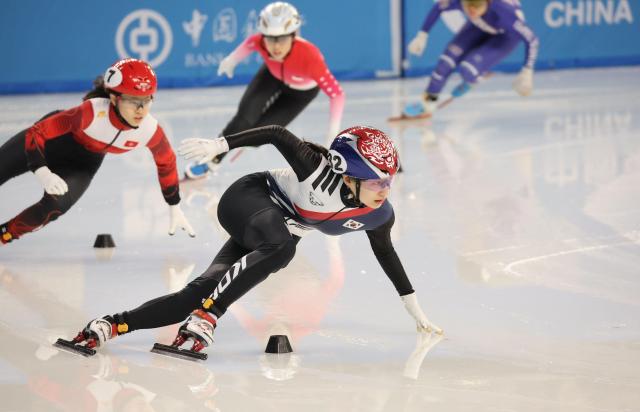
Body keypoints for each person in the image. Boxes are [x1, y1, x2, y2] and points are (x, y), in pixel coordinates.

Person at [66, 125, 442, 356]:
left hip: (269, 234)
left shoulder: (379, 213)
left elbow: (386, 253)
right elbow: (276, 134)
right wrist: (221, 145)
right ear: (346, 175)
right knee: (283, 247)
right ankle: (209, 316)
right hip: (247, 200)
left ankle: (109, 325)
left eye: (388, 180)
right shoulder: (315, 168)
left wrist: (414, 309)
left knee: (195, 295)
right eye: (376, 181)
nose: (384, 190)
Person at [0, 58, 195, 245]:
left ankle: (4, 235)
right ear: (114, 97)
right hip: (55, 142)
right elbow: (37, 133)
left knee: (55, 206)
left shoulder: (150, 130)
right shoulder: (90, 113)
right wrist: (42, 171)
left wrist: (174, 203)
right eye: (133, 100)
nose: (141, 109)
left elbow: (167, 162)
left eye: (147, 99)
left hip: (82, 164)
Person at [185, 1, 345, 179]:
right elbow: (249, 43)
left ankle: (245, 143)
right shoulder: (259, 42)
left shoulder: (311, 57)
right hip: (271, 76)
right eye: (270, 38)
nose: (275, 46)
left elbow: (337, 94)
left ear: (294, 35)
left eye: (282, 38)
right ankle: (213, 160)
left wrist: (333, 131)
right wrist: (231, 60)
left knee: (260, 134)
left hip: (300, 93)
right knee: (243, 119)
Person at [403, 0, 539, 118]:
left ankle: (475, 76)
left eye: (476, 7)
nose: (472, 11)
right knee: (446, 62)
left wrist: (527, 70)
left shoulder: (505, 12)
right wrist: (422, 35)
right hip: (478, 25)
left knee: (468, 69)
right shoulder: (460, 2)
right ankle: (429, 101)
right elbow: (439, 6)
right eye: (468, 8)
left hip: (505, 37)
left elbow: (532, 40)